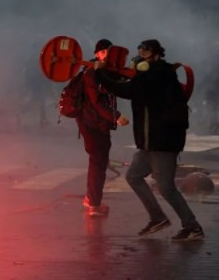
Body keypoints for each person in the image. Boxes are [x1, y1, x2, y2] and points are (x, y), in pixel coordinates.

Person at [95, 39, 204, 241]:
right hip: (148, 143)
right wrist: (109, 73)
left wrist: (100, 73)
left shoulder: (160, 74)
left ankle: (192, 226)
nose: (141, 54)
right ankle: (157, 218)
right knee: (133, 176)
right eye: (140, 51)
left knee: (166, 188)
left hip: (163, 142)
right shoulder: (149, 74)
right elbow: (129, 84)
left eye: (146, 52)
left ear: (156, 55)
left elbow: (126, 90)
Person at [77, 39, 130, 216]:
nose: (107, 55)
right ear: (96, 54)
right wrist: (116, 116)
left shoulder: (107, 72)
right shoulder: (91, 73)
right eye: (103, 52)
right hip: (92, 124)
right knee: (98, 162)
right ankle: (94, 204)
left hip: (100, 124)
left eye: (110, 51)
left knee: (98, 161)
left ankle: (92, 199)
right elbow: (97, 101)